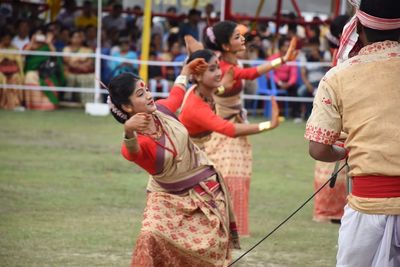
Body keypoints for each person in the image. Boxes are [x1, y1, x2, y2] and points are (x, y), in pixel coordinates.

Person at [107, 57, 241, 266]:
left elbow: (177, 93)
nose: (150, 96)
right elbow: (131, 152)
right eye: (141, 94)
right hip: (165, 196)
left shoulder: (162, 109)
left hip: (204, 189)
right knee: (150, 236)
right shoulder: (138, 141)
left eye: (147, 89)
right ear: (127, 106)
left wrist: (185, 71)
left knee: (211, 247)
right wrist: (129, 130)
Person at [305, 0, 400, 266]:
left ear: (358, 28)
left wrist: (349, 149)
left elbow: (318, 148)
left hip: (367, 210)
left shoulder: (338, 76)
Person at [203, 20, 298, 236]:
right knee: (224, 177)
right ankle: (217, 225)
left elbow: (251, 73)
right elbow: (212, 90)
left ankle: (227, 227)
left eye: (241, 35)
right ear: (226, 46)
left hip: (236, 126)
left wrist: (282, 60)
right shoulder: (220, 67)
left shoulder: (233, 64)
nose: (242, 39)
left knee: (237, 177)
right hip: (221, 130)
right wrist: (220, 88)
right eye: (237, 37)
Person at [179, 49, 280, 151]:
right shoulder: (197, 107)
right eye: (212, 69)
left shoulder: (201, 90)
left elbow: (216, 91)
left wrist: (224, 87)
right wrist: (268, 125)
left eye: (218, 67)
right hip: (186, 155)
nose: (219, 72)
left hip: (199, 149)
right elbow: (230, 129)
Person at [23, 28, 65, 110]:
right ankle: (33, 105)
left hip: (47, 74)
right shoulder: (29, 46)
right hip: (33, 74)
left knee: (49, 107)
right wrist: (32, 42)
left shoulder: (47, 46)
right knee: (30, 76)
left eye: (41, 35)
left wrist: (49, 43)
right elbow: (23, 55)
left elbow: (55, 58)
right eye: (37, 35)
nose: (39, 37)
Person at [62, 30, 94, 104]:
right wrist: (80, 64)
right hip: (69, 71)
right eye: (75, 37)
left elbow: (89, 63)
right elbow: (67, 62)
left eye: (79, 37)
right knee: (71, 77)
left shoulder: (87, 50)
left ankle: (87, 101)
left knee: (91, 77)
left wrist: (78, 64)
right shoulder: (66, 49)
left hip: (84, 71)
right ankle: (67, 99)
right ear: (70, 39)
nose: (77, 39)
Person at [0, 30, 24, 110]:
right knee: (2, 79)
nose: (7, 41)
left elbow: (19, 63)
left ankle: (15, 104)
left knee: (16, 78)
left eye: (9, 39)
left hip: (12, 72)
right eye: (5, 39)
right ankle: (3, 104)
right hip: (1, 72)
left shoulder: (14, 48)